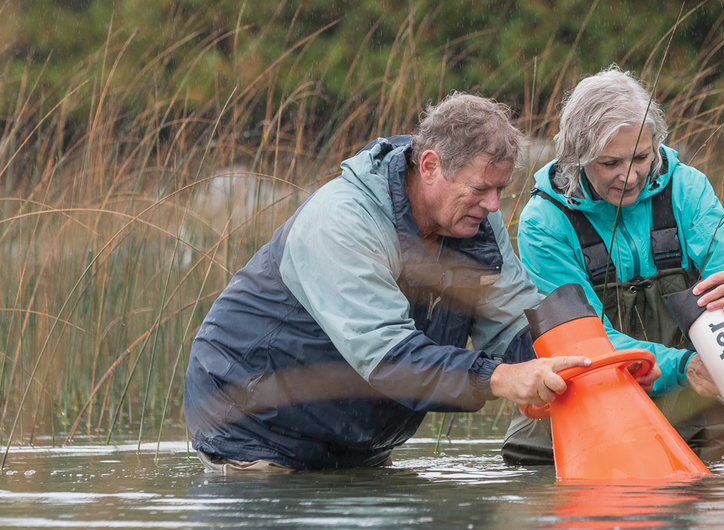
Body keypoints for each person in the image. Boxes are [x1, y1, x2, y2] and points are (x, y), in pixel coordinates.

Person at [183, 94, 594, 473]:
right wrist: (503, 378)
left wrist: (582, 369)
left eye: (500, 190)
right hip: (252, 428)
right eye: (480, 188)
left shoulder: (474, 222)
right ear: (430, 165)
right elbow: (390, 359)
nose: (493, 205)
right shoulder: (342, 220)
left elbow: (512, 323)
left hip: (354, 442)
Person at [502, 67, 724, 465]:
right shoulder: (543, 223)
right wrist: (682, 365)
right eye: (611, 163)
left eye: (642, 157)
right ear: (577, 159)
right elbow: (584, 346)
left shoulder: (688, 188)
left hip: (689, 400)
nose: (631, 177)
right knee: (527, 455)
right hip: (592, 399)